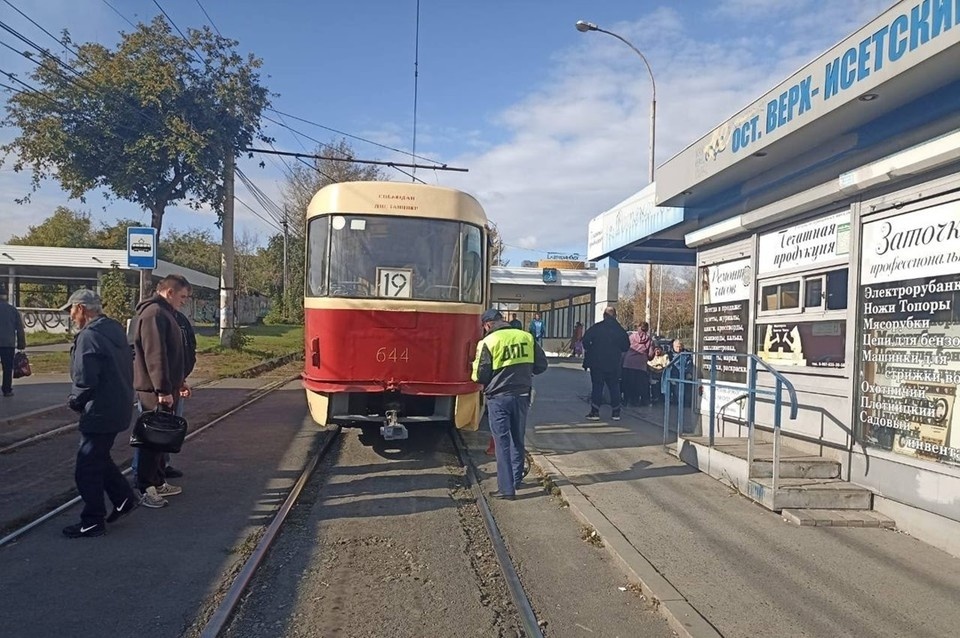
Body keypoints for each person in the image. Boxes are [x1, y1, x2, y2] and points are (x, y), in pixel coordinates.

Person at [61, 289, 139, 538]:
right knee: (99, 457)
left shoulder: (89, 336)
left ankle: (93, 520)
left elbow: (86, 377)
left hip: (99, 409)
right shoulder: (114, 330)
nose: (71, 316)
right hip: (117, 406)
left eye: (71, 310)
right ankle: (124, 498)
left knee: (86, 467)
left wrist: (75, 401)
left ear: (81, 309)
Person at [472, 308, 548, 500]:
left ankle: (506, 489)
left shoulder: (488, 342)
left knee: (501, 441)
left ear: (488, 325)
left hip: (498, 398)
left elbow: (480, 375)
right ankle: (516, 479)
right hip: (522, 395)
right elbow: (542, 365)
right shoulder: (527, 337)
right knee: (517, 438)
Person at [132, 274, 190, 508]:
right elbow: (155, 356)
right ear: (169, 292)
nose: (184, 301)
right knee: (152, 440)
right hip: (154, 390)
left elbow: (171, 355)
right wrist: (163, 389)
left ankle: (157, 481)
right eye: (182, 296)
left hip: (166, 387)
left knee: (161, 439)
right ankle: (145, 488)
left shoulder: (165, 313)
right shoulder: (155, 314)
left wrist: (178, 382)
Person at [582, 306, 629, 421]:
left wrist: (591, 349)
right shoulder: (620, 330)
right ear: (615, 316)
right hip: (614, 363)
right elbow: (626, 346)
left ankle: (595, 412)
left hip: (597, 363)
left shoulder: (597, 328)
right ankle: (616, 412)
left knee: (597, 386)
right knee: (614, 387)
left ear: (604, 315)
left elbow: (585, 340)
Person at [622, 321, 655, 407]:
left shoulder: (631, 337)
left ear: (638, 327)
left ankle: (626, 400)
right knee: (639, 384)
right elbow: (650, 355)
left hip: (628, 363)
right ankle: (635, 401)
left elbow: (624, 348)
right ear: (647, 329)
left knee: (627, 383)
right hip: (641, 365)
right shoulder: (649, 340)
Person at [0, 290, 26, 398]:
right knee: (7, 368)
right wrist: (21, 343)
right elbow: (20, 328)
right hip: (8, 344)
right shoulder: (13, 310)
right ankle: (7, 390)